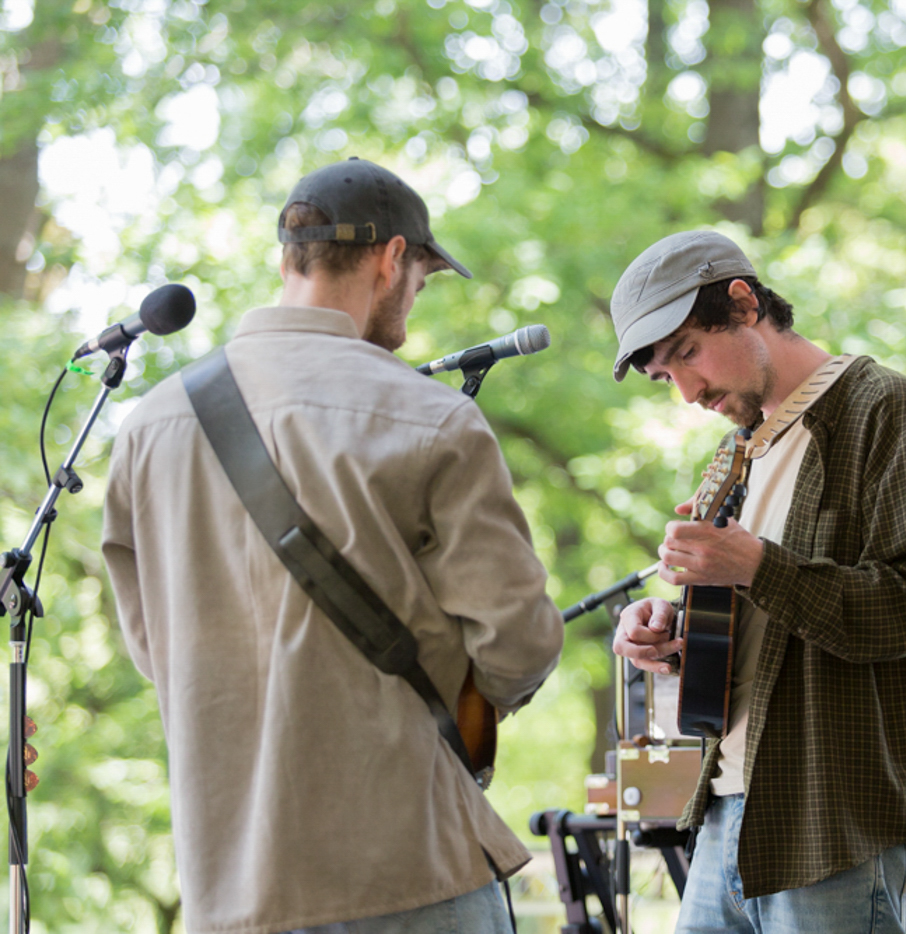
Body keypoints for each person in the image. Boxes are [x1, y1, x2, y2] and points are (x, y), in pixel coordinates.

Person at [102, 157, 564, 934]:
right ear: (391, 259)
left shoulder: (148, 427)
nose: (415, 302)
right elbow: (518, 644)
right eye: (420, 278)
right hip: (408, 870)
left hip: (229, 888)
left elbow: (156, 651)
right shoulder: (430, 417)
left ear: (289, 256)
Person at [606, 229, 906, 933]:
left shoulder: (883, 407)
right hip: (727, 806)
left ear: (744, 303)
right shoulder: (736, 452)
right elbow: (762, 626)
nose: (686, 391)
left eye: (686, 352)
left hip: (834, 817)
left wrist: (754, 566)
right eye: (663, 375)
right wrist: (668, 629)